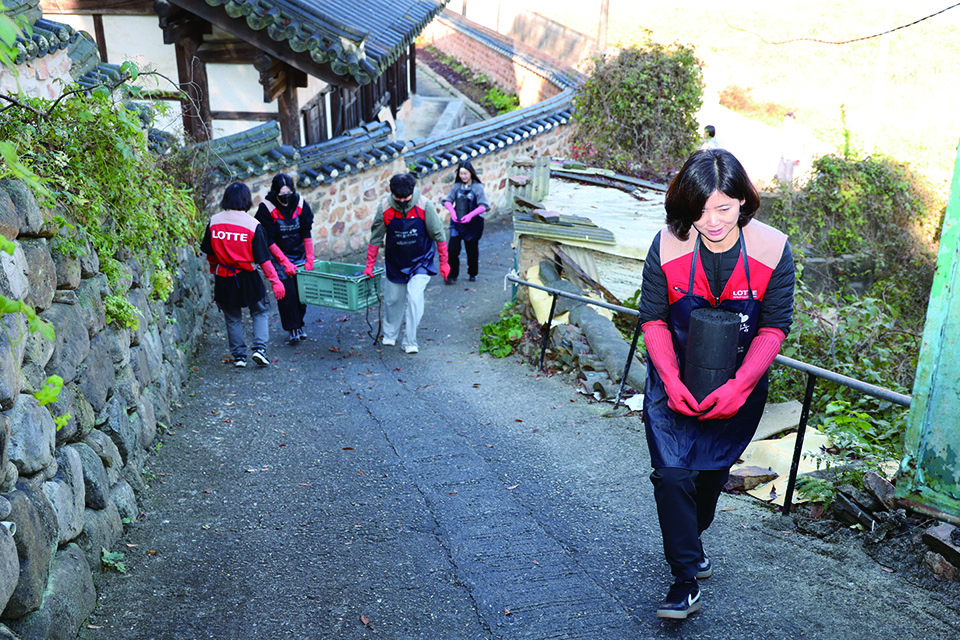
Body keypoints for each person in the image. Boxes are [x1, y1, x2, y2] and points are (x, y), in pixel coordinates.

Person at [637, 149, 795, 620]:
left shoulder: (772, 248)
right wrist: (668, 379)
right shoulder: (666, 244)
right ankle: (684, 579)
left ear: (744, 201)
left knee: (707, 481)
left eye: (723, 208)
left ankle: (693, 540)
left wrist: (741, 387)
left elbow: (774, 326)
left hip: (737, 387)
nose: (712, 222)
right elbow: (654, 319)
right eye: (699, 210)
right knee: (671, 475)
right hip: (673, 380)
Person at [201, 182, 286, 368]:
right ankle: (260, 349)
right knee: (260, 311)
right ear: (247, 200)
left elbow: (209, 253)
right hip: (249, 276)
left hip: (224, 276)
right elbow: (264, 260)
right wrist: (276, 282)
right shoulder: (253, 225)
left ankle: (239, 356)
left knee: (232, 317)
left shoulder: (214, 221)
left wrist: (213, 267)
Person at [363, 173, 450, 354]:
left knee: (414, 297)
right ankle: (390, 334)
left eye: (406, 198)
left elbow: (439, 234)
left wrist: (444, 262)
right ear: (392, 193)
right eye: (398, 198)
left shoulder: (425, 206)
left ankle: (410, 340)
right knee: (392, 300)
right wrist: (369, 265)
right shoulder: (385, 208)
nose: (402, 201)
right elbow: (376, 237)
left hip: (421, 260)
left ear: (412, 192)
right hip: (396, 260)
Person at [255, 173, 315, 345]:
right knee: (287, 293)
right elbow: (268, 239)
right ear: (275, 192)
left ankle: (300, 324)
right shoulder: (266, 208)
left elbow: (306, 230)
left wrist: (309, 258)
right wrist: (284, 262)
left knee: (301, 293)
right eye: (282, 195)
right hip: (278, 256)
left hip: (299, 253)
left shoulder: (301, 204)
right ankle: (292, 328)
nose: (286, 198)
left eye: (289, 194)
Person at [441, 160, 489, 283]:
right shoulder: (456, 186)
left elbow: (484, 206)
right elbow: (447, 200)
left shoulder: (477, 187)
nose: (463, 176)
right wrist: (452, 212)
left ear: (471, 173)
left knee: (471, 250)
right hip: (457, 223)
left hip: (473, 224)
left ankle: (472, 273)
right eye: (461, 174)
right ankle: (452, 275)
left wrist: (470, 215)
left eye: (466, 174)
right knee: (452, 250)